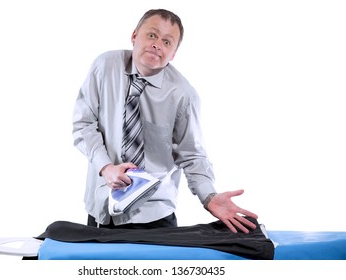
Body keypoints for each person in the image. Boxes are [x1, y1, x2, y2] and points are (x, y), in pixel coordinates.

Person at [72, 8, 258, 233]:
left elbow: (192, 155)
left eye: (167, 42)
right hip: (101, 208)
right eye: (152, 35)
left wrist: (209, 197)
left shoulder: (183, 95)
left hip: (153, 216)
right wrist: (106, 167)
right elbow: (84, 123)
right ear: (134, 36)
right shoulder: (105, 66)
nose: (157, 44)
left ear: (173, 54)